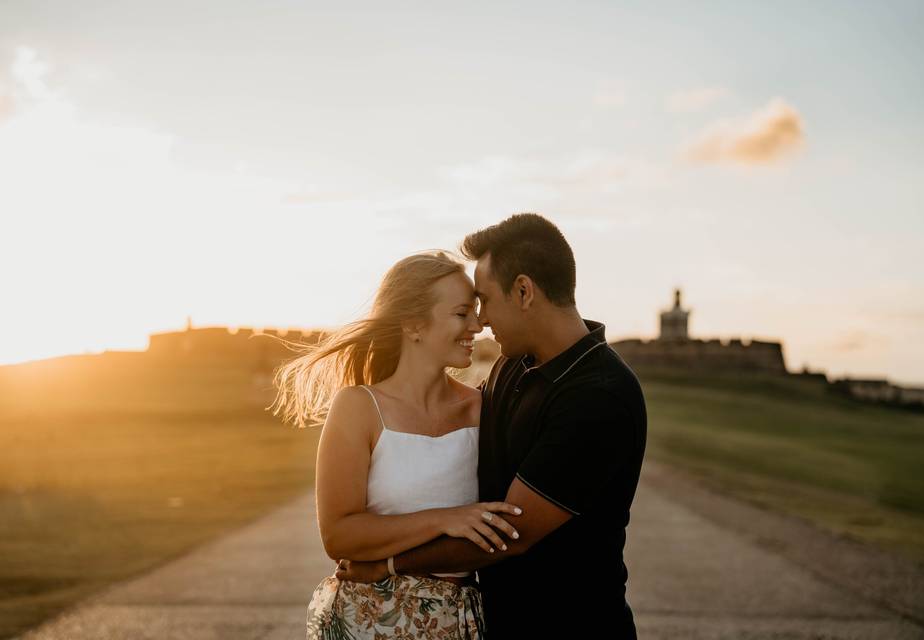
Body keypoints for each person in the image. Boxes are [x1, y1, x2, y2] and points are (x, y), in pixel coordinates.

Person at [337, 213, 648, 639]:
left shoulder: (599, 395)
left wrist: (389, 564)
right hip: (498, 626)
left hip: (576, 625)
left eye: (482, 300)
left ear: (523, 291)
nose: (481, 320)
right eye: (468, 308)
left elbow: (512, 532)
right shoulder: (513, 366)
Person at [271, 251, 523, 640]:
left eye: (476, 311)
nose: (477, 325)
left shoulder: (484, 409)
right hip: (367, 621)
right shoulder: (358, 407)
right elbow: (338, 536)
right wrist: (444, 518)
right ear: (413, 324)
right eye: (461, 313)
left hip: (458, 624)